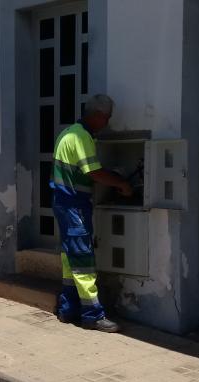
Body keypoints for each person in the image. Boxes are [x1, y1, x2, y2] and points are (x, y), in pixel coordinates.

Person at [50, 94, 132, 333]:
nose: (107, 123)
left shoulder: (67, 133)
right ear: (97, 115)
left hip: (64, 202)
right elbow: (93, 172)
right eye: (107, 118)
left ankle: (68, 309)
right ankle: (92, 314)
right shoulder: (81, 137)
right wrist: (121, 183)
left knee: (70, 257)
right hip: (73, 204)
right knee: (83, 257)